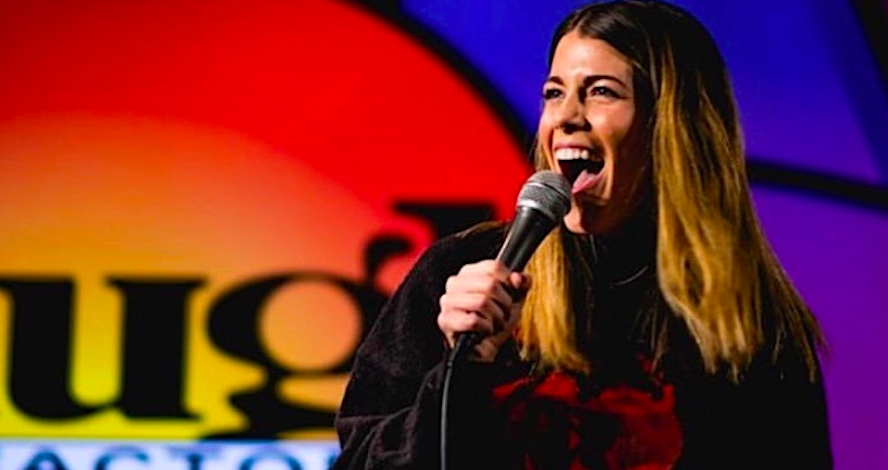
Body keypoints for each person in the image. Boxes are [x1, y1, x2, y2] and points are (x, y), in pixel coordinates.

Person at [332, 1, 833, 468]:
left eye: (601, 92)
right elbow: (361, 458)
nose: (566, 118)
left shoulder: (747, 325)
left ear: (671, 126)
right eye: (554, 93)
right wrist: (462, 370)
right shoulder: (465, 276)